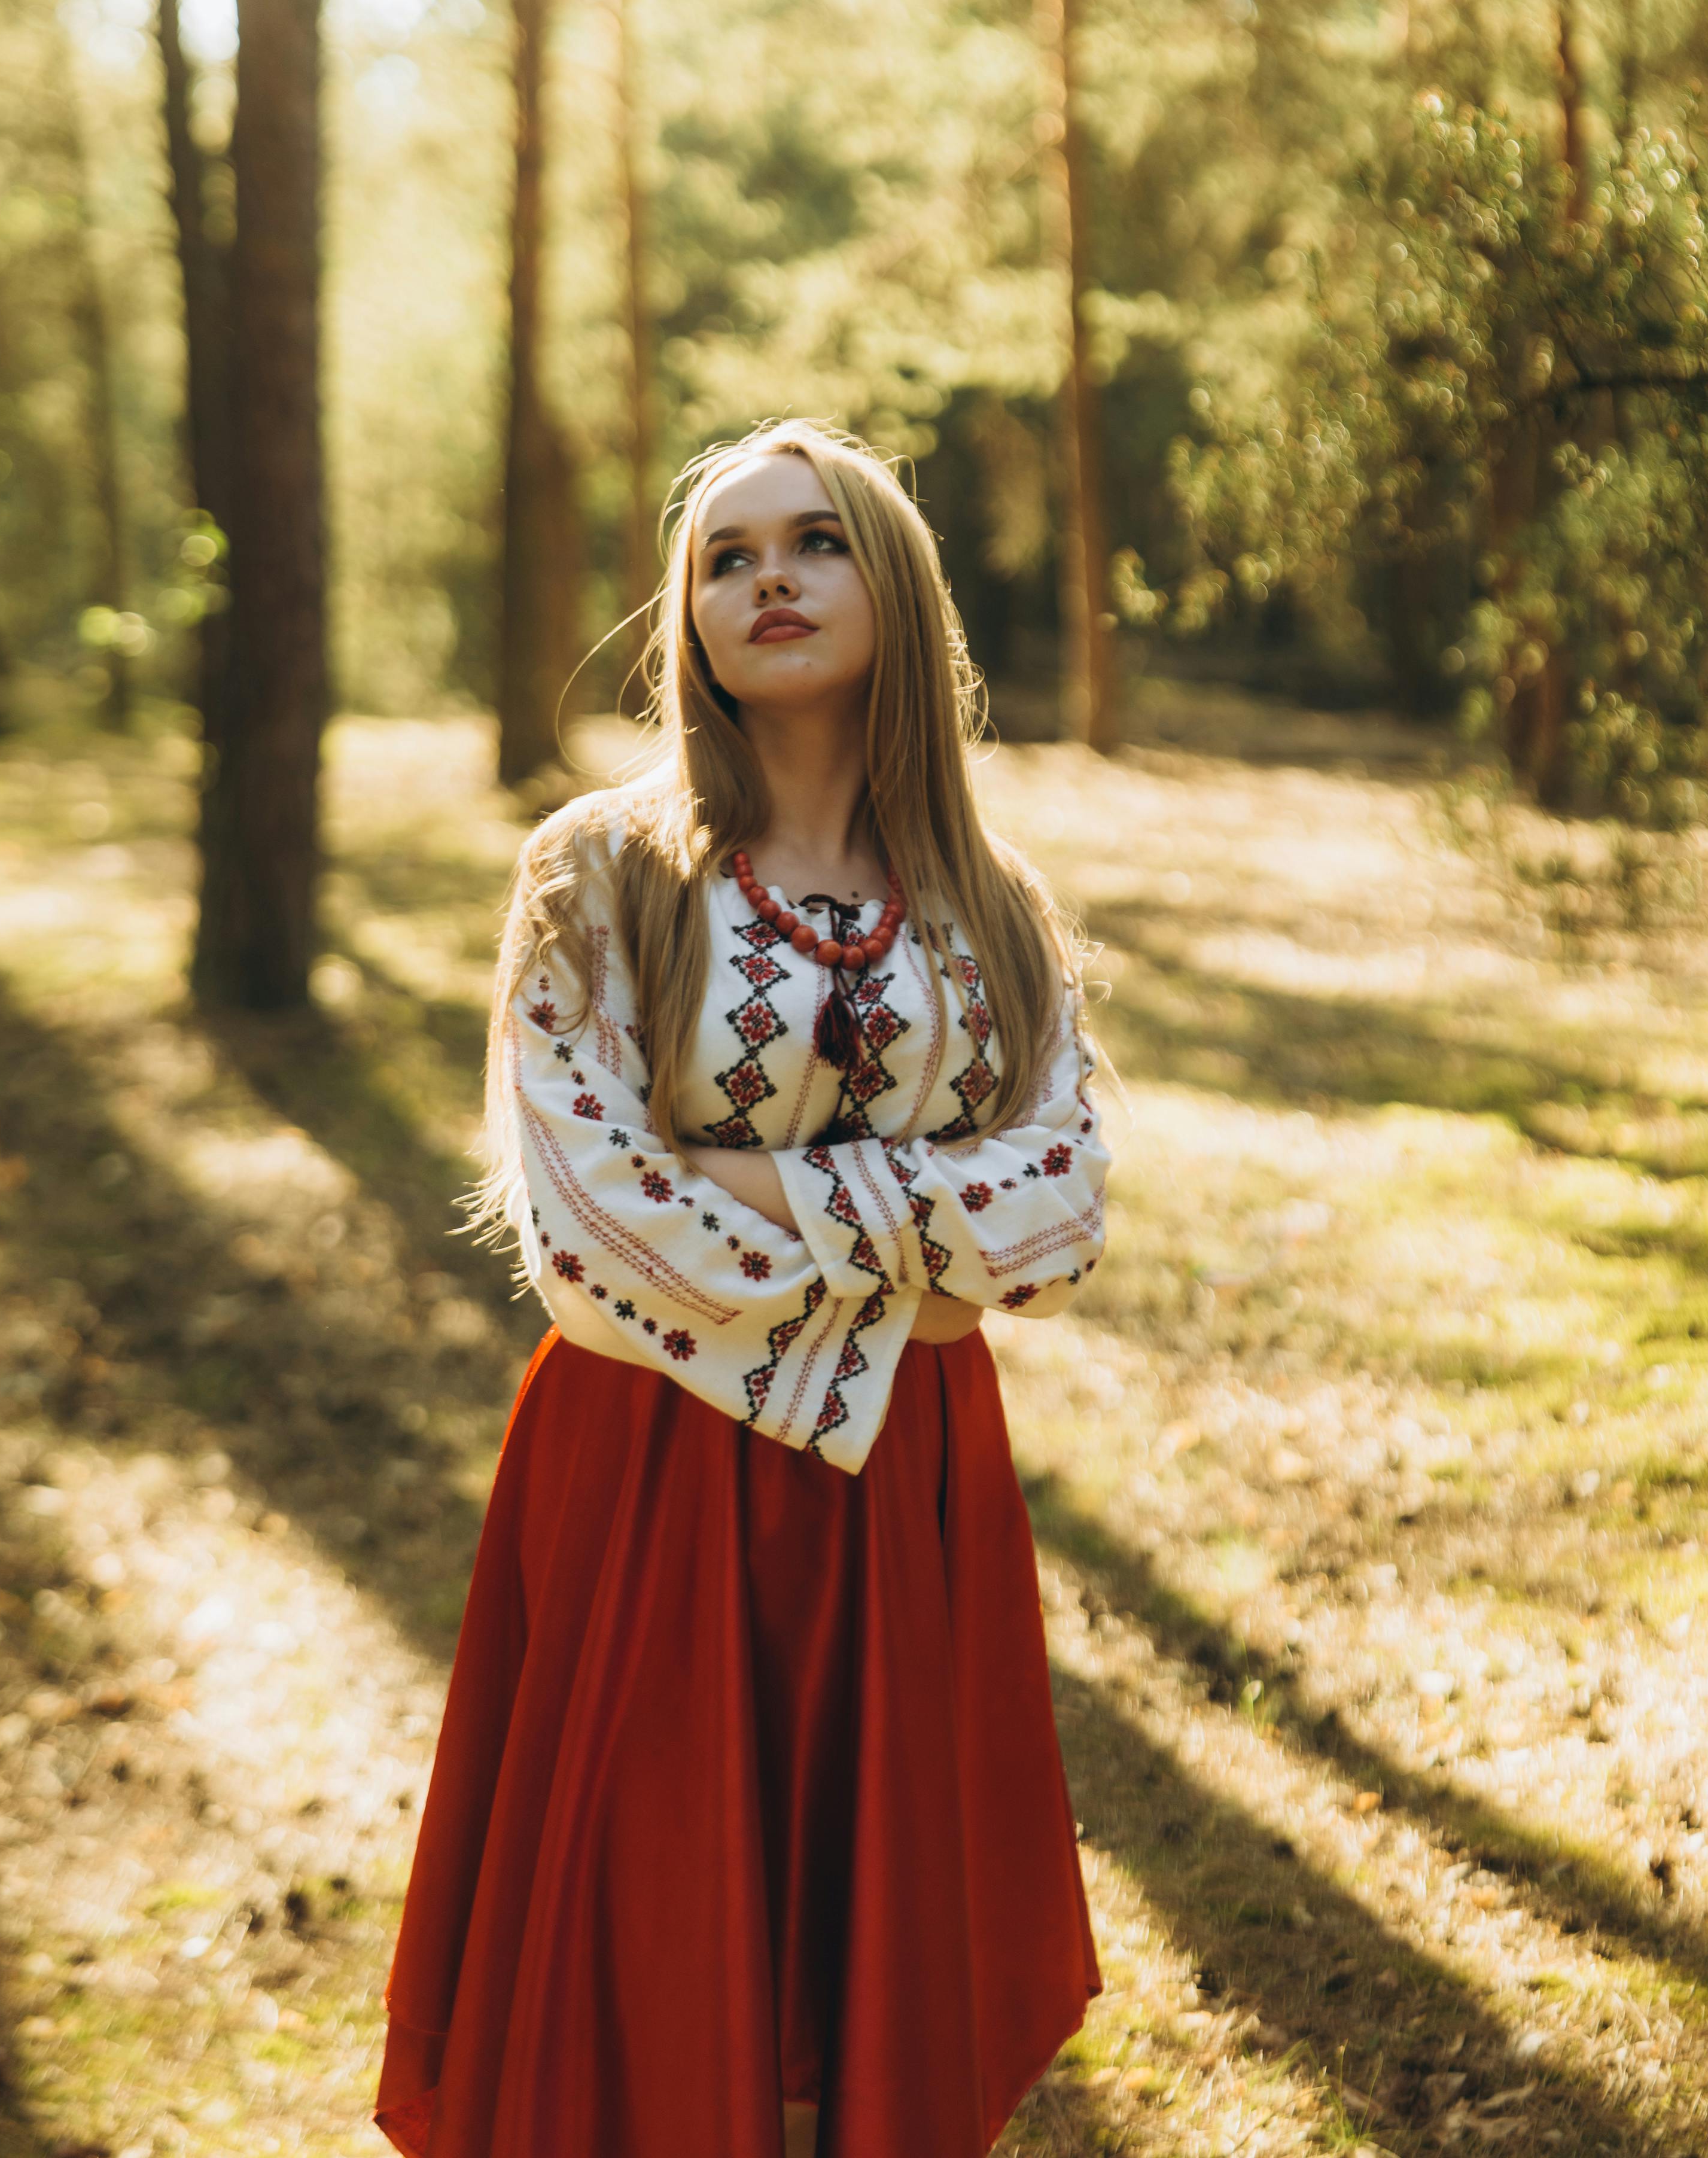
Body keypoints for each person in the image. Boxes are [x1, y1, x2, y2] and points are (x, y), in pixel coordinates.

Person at [374, 418, 1109, 2158]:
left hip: (909, 1491)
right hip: (645, 1471)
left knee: (862, 1959)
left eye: (814, 541)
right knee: (651, 1940)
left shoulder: (991, 904)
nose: (768, 577)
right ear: (686, 621)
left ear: (894, 583)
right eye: (725, 555)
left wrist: (745, 1180)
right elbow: (589, 1228)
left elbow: (1061, 1208)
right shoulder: (601, 871)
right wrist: (915, 1262)